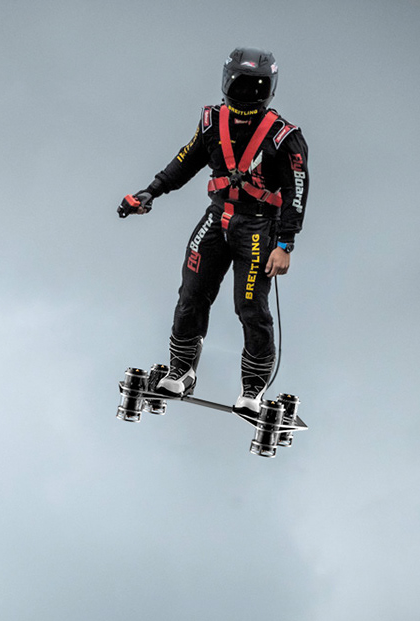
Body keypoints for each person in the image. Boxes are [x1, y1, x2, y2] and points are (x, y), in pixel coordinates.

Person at [118, 47, 310, 414]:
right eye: (240, 83)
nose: (246, 92)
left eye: (255, 86)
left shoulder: (285, 137)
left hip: (258, 230)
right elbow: (185, 161)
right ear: (226, 82)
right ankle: (181, 370)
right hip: (216, 219)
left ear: (268, 88)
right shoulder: (211, 123)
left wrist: (285, 243)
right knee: (190, 294)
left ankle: (253, 389)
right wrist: (150, 192)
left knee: (251, 308)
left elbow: (296, 191)